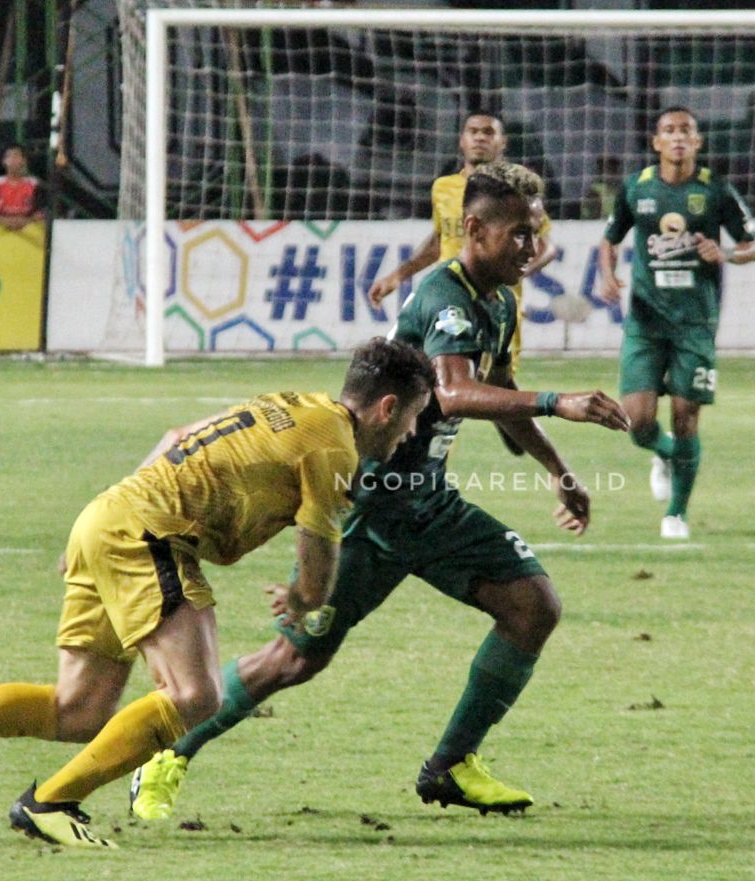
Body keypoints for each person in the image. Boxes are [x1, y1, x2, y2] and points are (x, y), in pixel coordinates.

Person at [129, 161, 629, 821]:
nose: (530, 249)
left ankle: (450, 765)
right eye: (516, 234)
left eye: (535, 234)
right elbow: (451, 391)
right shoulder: (443, 297)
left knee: (534, 606)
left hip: (428, 502)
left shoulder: (501, 300)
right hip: (368, 508)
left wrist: (557, 469)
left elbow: (500, 396)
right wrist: (560, 400)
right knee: (292, 660)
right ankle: (166, 753)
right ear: (474, 229)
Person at [0, 339, 435, 849]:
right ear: (387, 407)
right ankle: (48, 803)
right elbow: (318, 547)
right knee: (197, 695)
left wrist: (101, 521)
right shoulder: (334, 447)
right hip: (148, 535)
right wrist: (305, 600)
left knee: (78, 711)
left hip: (109, 516)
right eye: (411, 419)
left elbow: (175, 435)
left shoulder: (293, 404)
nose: (410, 433)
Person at [596, 106, 755, 540]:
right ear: (656, 142)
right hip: (646, 321)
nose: (678, 137)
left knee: (687, 414)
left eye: (686, 130)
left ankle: (676, 514)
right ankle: (665, 453)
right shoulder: (637, 188)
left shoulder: (715, 191)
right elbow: (609, 240)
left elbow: (752, 245)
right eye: (669, 130)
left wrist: (724, 254)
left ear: (698, 141)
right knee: (637, 421)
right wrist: (607, 275)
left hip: (695, 322)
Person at [368, 113, 557, 374]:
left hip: (495, 299)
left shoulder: (514, 193)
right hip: (448, 296)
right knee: (446, 377)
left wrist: (517, 270)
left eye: (489, 132)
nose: (480, 137)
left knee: (493, 379)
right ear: (461, 140)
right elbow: (438, 240)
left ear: (503, 142)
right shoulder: (442, 188)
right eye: (473, 131)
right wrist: (396, 276)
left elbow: (546, 247)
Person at [0, 143, 45, 229]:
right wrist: (6, 222)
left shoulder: (33, 184)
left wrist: (24, 222)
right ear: (4, 161)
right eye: (9, 156)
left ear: (24, 160)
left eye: (16, 155)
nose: (13, 159)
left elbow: (40, 214)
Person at [581, 154, 623, 220]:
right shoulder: (594, 192)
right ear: (600, 172)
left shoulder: (618, 190)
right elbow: (593, 217)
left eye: (614, 170)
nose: (612, 174)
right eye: (609, 169)